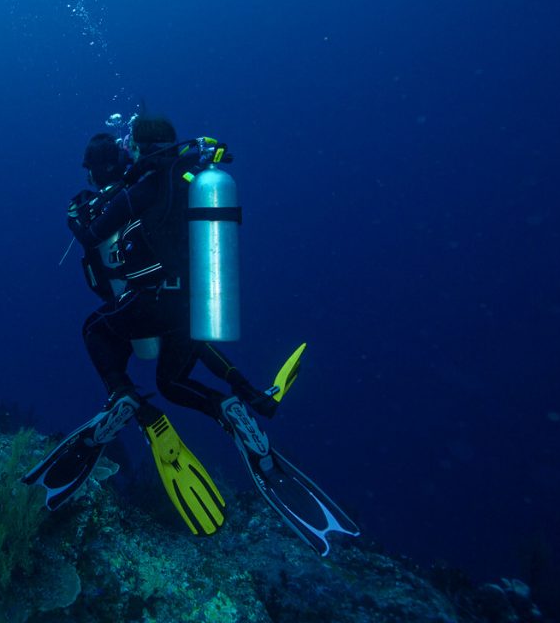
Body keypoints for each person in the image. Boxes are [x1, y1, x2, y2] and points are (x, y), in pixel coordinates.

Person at [24, 115, 360, 555]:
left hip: (153, 301)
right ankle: (237, 403)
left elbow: (92, 235)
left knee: (96, 329)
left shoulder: (139, 191)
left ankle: (123, 397)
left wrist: (75, 220)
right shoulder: (195, 180)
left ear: (139, 150)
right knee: (173, 379)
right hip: (193, 304)